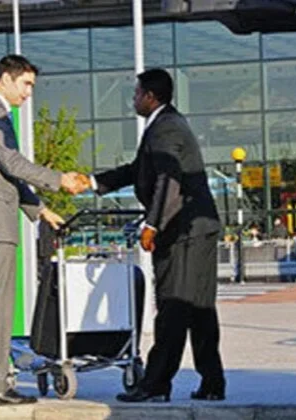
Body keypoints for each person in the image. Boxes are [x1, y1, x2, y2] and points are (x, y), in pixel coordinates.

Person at [73, 68, 226, 402]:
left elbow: (167, 180)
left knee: (173, 308)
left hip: (183, 231)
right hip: (198, 229)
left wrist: (151, 225)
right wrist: (95, 182)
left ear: (150, 97)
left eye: (136, 94)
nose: (133, 100)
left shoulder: (166, 127)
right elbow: (139, 170)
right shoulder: (166, 124)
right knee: (199, 309)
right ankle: (212, 383)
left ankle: (156, 384)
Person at [0, 55, 83, 406]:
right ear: (6, 79)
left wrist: (40, 211)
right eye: (26, 85)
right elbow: (13, 163)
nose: (28, 94)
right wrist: (59, 180)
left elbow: (5, 173)